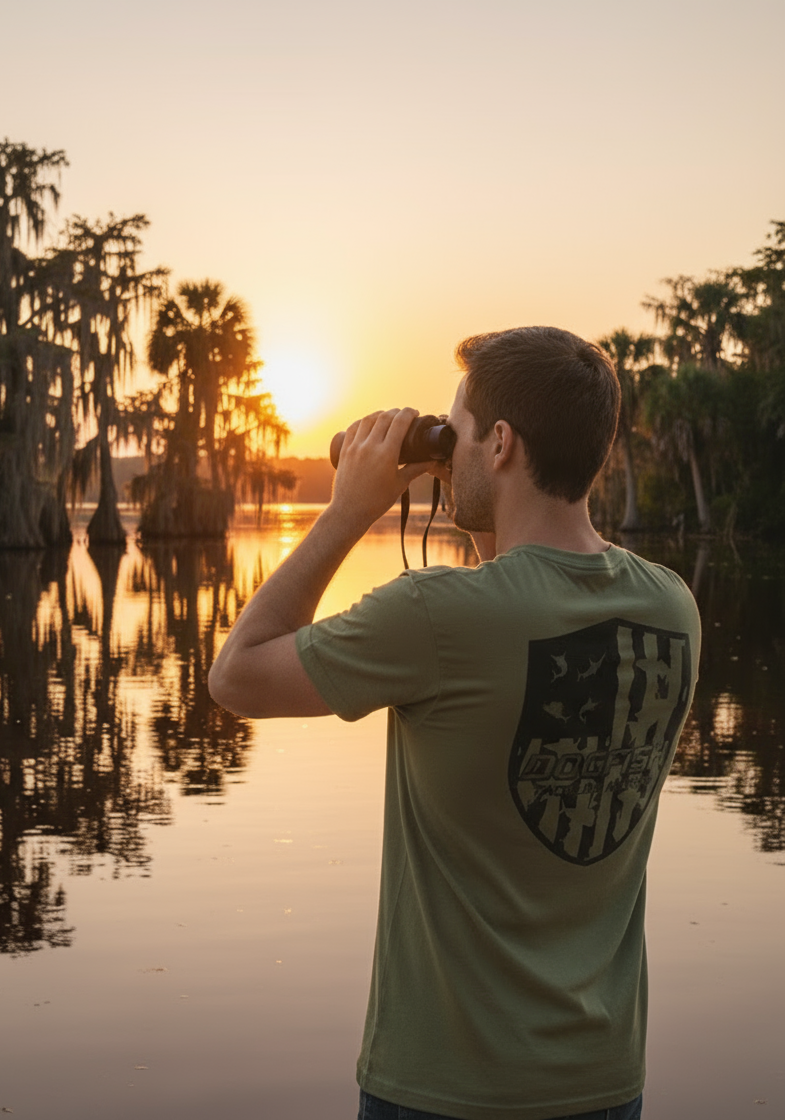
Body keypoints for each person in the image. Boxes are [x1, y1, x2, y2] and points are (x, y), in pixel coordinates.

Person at [208, 326, 701, 1120]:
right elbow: (522, 595)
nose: (449, 449)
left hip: (447, 1087)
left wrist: (348, 513)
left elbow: (236, 675)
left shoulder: (435, 616)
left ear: (501, 443)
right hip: (604, 1081)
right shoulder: (672, 607)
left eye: (458, 430)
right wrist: (475, 489)